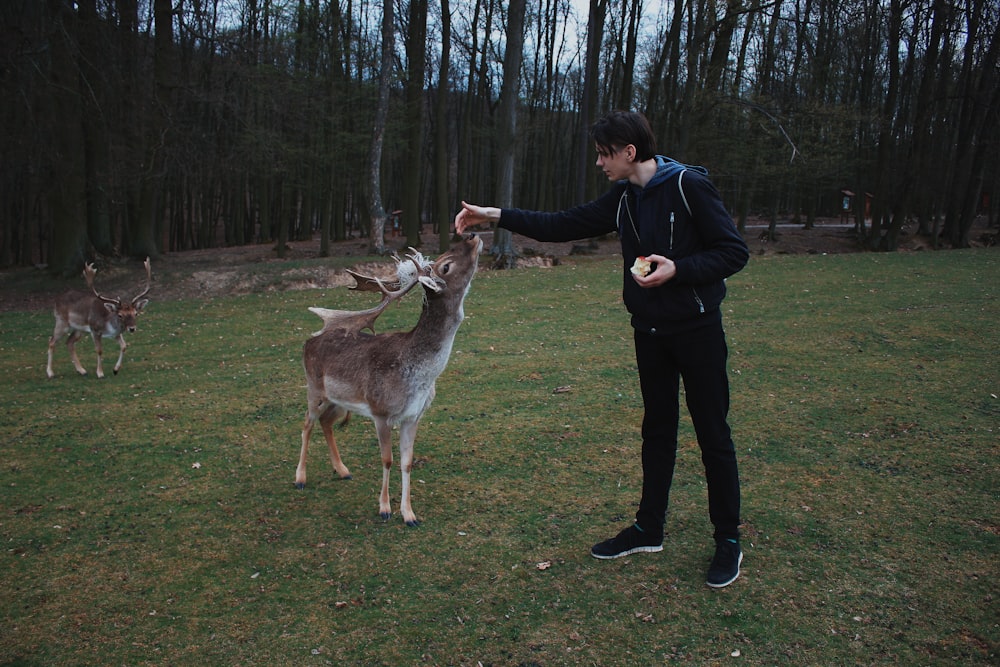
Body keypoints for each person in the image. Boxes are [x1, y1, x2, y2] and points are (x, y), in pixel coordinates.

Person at [454, 110, 750, 588]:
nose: (598, 163)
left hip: (697, 331)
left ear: (628, 153)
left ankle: (728, 539)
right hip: (649, 332)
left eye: (603, 153)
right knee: (657, 430)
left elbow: (734, 251)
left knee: (713, 434)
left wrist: (679, 269)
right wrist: (493, 215)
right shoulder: (623, 197)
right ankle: (648, 527)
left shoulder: (688, 187)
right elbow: (563, 224)